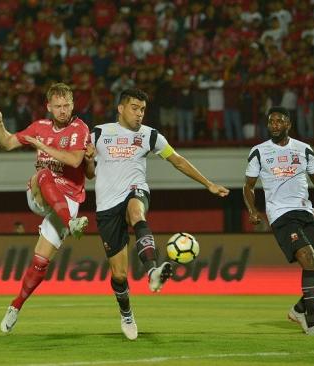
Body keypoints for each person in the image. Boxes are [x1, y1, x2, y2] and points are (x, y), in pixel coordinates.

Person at [87, 88, 229, 340]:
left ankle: (152, 271)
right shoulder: (98, 133)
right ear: (120, 108)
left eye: (142, 109)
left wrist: (208, 184)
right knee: (119, 275)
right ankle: (127, 313)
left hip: (135, 191)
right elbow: (84, 168)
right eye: (134, 108)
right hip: (106, 206)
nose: (139, 114)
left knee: (136, 211)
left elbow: (178, 160)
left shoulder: (150, 136)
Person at [0, 83, 91, 334]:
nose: (63, 110)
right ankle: (71, 224)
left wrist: (43, 147)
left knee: (40, 262)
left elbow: (75, 160)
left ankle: (15, 306)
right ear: (49, 107)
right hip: (40, 195)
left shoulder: (80, 128)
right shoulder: (39, 127)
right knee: (44, 175)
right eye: (58, 106)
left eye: (67, 105)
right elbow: (8, 143)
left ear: (73, 104)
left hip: (68, 202)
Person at [243, 106, 314, 336]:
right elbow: (248, 186)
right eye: (271, 122)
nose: (274, 125)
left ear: (288, 124)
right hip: (281, 215)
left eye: (279, 121)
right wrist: (252, 210)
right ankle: (312, 322)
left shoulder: (304, 149)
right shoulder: (259, 151)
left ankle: (299, 309)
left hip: (306, 213)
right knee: (308, 258)